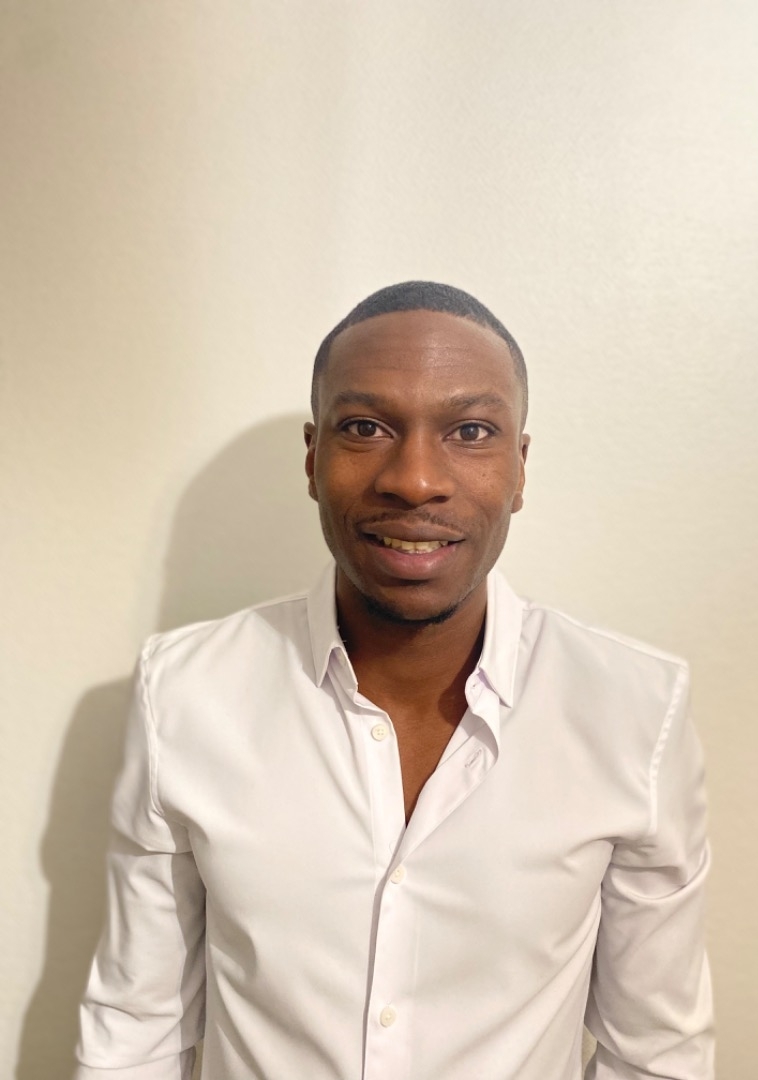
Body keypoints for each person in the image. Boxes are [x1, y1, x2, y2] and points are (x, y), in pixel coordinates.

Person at [74, 281, 714, 1080]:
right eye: (365, 428)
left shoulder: (635, 710)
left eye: (470, 431)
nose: (414, 480)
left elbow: (654, 1053)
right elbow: (136, 1029)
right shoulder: (182, 693)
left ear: (519, 467)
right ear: (313, 458)